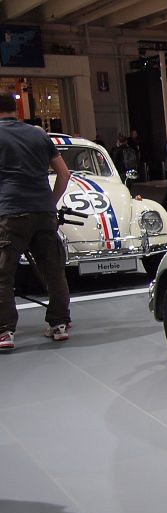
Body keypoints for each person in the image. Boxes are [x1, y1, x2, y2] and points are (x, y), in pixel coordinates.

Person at [0, 92, 73, 349]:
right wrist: (50, 203)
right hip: (44, 212)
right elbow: (64, 173)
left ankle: (5, 331)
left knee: (3, 274)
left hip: (11, 213)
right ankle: (59, 324)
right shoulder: (39, 134)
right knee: (54, 271)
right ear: (16, 109)